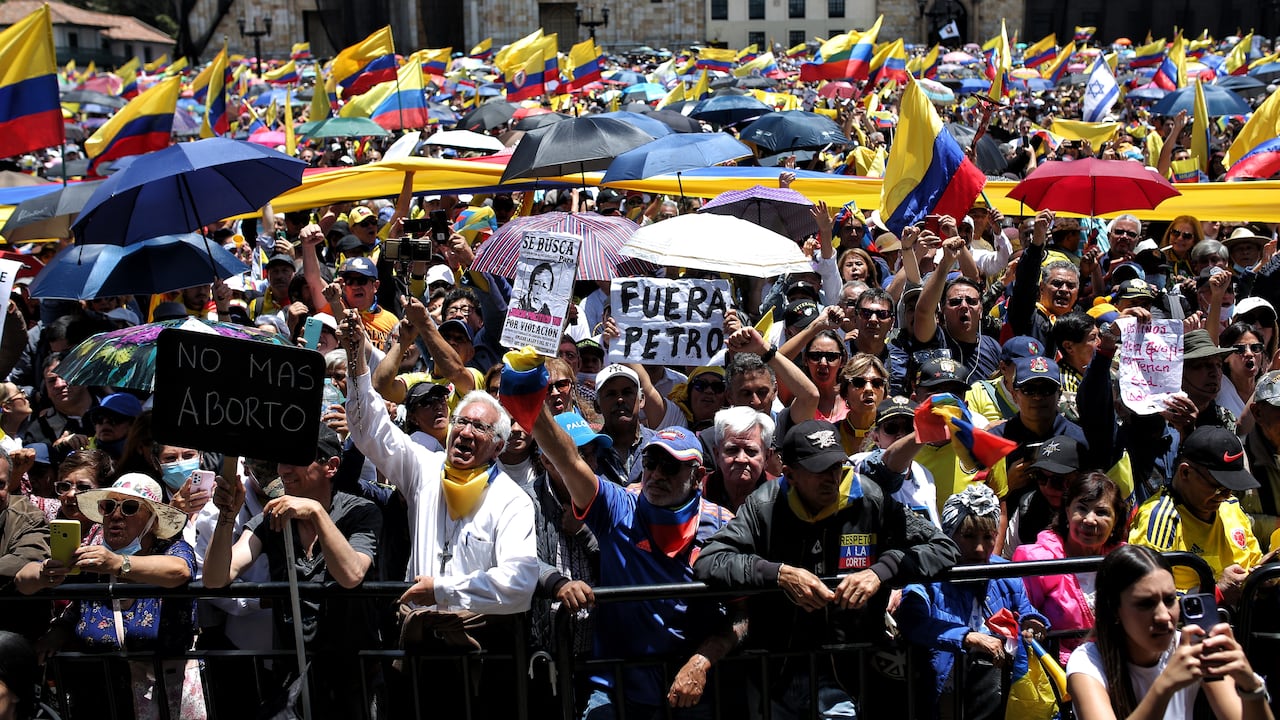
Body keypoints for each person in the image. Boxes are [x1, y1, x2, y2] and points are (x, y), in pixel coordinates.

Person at [694, 419, 958, 719]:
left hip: (847, 672)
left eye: (836, 466)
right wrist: (778, 573)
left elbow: (943, 547)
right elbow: (710, 560)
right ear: (790, 474)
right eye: (819, 470)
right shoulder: (764, 504)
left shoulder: (870, 498)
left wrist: (880, 572)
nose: (832, 478)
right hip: (776, 672)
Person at [340, 312, 537, 713]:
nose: (464, 433)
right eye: (461, 423)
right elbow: (368, 429)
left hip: (479, 656)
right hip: (416, 652)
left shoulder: (512, 500)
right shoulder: (425, 470)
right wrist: (356, 355)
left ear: (498, 447)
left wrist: (443, 591)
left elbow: (519, 584)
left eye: (479, 429)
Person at [529, 400, 741, 719]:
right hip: (616, 690)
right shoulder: (618, 506)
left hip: (690, 691)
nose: (656, 474)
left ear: (697, 476)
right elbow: (568, 460)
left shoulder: (723, 526)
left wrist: (702, 661)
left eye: (670, 466)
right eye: (651, 461)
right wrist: (530, 397)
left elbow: (743, 616)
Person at [204, 424, 381, 719]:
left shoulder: (360, 512)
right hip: (293, 677)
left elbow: (351, 574)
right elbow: (215, 578)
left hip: (352, 678)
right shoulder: (270, 518)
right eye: (280, 461)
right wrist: (226, 516)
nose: (283, 470)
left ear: (331, 466)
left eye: (295, 459)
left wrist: (315, 512)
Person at [34, 474, 199, 719]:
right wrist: (57, 632)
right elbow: (77, 610)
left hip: (164, 699)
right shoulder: (95, 559)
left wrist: (119, 563)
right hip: (99, 698)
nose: (116, 515)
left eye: (130, 508)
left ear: (152, 521)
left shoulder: (173, 549)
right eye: (108, 506)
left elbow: (179, 570)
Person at [1066, 545, 1274, 720]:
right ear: (1114, 610)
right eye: (1146, 604)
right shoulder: (1086, 663)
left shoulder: (1192, 648)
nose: (1164, 616)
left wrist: (1251, 686)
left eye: (1169, 600)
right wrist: (1165, 685)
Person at [898, 484, 1049, 720]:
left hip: (996, 695)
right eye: (968, 536)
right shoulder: (927, 576)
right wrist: (968, 637)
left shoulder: (1006, 574)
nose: (979, 548)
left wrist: (1034, 623)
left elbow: (1027, 612)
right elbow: (911, 621)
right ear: (949, 535)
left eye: (988, 537)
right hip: (942, 697)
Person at [1129, 425, 1262, 606]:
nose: (1225, 495)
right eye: (1218, 486)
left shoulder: (1230, 506)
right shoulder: (1159, 519)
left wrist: (1264, 576)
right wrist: (1215, 593)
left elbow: (1253, 561)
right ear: (1185, 472)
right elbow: (1145, 599)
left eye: (1231, 488)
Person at [1013, 472, 1130, 666]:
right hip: (1059, 673)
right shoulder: (1037, 561)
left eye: (1101, 512)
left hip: (1118, 667)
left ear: (1116, 520)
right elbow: (1021, 622)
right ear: (1067, 511)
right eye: (1082, 509)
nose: (1090, 520)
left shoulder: (1125, 563)